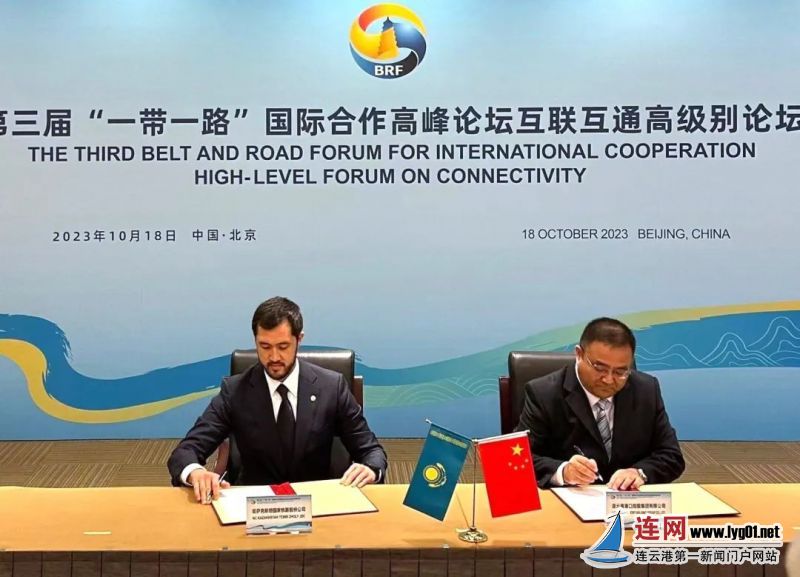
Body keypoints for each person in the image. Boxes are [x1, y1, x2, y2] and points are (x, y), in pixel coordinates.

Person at [168, 296, 387, 503]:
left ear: (299, 339)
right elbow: (185, 452)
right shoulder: (234, 392)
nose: (274, 357)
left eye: (283, 347)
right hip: (256, 505)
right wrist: (195, 472)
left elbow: (371, 451)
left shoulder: (331, 387)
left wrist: (369, 468)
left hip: (317, 503)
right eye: (265, 346)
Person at [515, 317, 685, 489]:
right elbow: (518, 460)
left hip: (627, 499)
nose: (609, 379)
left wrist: (639, 472)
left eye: (620, 372)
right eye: (600, 368)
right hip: (570, 497)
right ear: (579, 354)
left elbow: (671, 456)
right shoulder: (544, 394)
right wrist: (563, 471)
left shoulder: (646, 389)